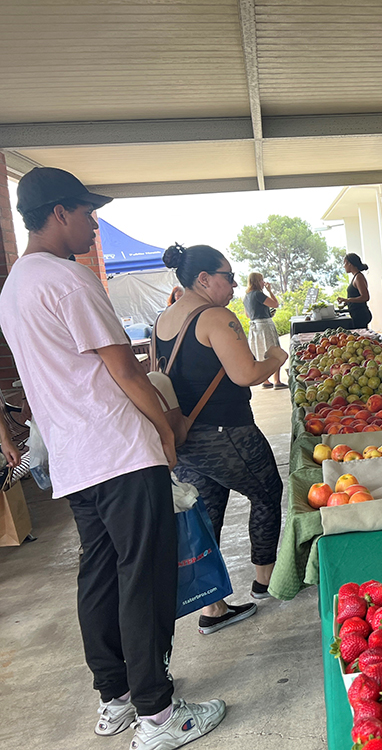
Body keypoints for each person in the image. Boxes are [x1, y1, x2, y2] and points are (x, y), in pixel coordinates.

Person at [0, 167, 225, 748]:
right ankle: (158, 715)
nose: (94, 226)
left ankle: (116, 698)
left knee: (100, 574)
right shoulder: (70, 282)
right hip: (119, 450)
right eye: (87, 213)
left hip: (76, 458)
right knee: (144, 576)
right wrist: (166, 427)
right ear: (58, 214)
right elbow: (123, 369)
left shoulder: (16, 285)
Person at [156, 243, 288, 632]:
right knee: (266, 492)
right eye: (227, 277)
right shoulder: (215, 316)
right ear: (203, 279)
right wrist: (276, 360)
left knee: (207, 512)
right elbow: (245, 374)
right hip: (227, 431)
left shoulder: (165, 318)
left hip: (188, 437)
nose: (232, 285)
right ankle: (264, 582)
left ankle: (212, 607)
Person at [243, 272, 286, 388]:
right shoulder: (258, 294)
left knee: (260, 352)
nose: (264, 283)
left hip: (254, 326)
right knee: (274, 350)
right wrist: (270, 291)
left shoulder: (246, 296)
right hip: (265, 325)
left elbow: (248, 315)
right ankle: (277, 380)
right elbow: (275, 304)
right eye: (262, 280)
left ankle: (265, 380)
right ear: (257, 281)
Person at [337, 252, 373, 329]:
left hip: (360, 314)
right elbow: (355, 296)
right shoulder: (356, 277)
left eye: (344, 263)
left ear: (349, 263)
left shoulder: (358, 277)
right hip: (356, 314)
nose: (344, 266)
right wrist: (346, 302)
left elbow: (365, 297)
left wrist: (348, 300)